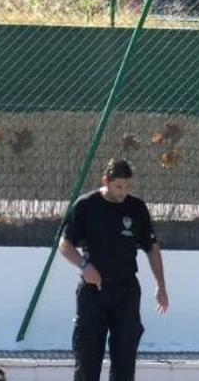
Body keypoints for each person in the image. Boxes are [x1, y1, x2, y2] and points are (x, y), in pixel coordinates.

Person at [58, 158, 168, 381]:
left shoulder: (136, 208)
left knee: (125, 365)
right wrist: (84, 266)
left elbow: (152, 248)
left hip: (126, 291)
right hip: (93, 290)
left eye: (128, 187)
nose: (123, 192)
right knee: (87, 363)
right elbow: (65, 245)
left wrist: (160, 286)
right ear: (105, 181)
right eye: (119, 186)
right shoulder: (86, 206)